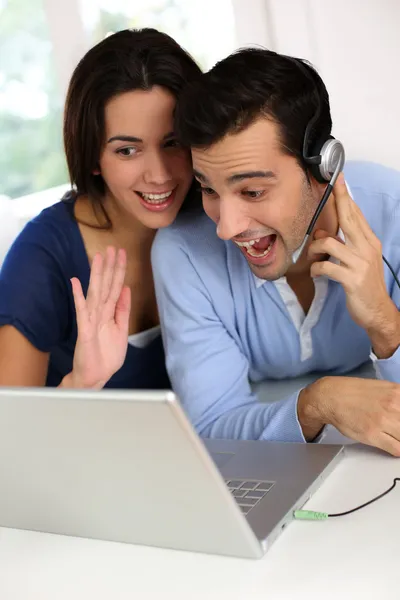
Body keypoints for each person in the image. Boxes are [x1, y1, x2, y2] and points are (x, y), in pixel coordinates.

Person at [151, 48, 400, 456]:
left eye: (252, 191)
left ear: (324, 170)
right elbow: (211, 426)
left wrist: (386, 325)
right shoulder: (183, 253)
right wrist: (318, 403)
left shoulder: (395, 212)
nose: (225, 226)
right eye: (209, 188)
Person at [0, 28, 201, 389]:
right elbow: (11, 433)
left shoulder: (218, 220)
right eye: (127, 150)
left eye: (174, 143)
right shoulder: (41, 258)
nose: (159, 175)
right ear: (93, 156)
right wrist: (81, 381)